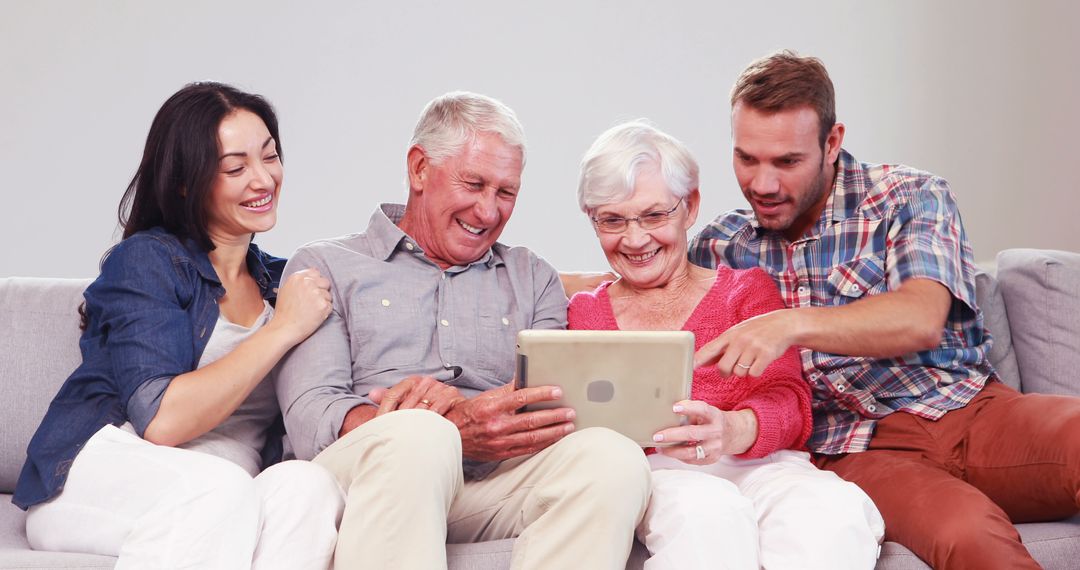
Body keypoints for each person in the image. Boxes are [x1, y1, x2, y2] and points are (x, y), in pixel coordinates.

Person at [689, 50, 1080, 569]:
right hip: (856, 451)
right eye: (746, 158)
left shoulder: (907, 196)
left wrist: (788, 324)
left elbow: (920, 318)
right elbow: (637, 281)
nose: (763, 184)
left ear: (832, 142)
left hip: (969, 410)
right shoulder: (720, 247)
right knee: (969, 535)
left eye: (787, 162)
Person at [274, 91, 650, 570]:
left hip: (490, 482)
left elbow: (545, 406)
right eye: (473, 184)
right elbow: (311, 414)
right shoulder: (326, 265)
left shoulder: (532, 278)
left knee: (613, 457)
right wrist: (448, 428)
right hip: (370, 472)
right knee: (420, 437)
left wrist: (480, 425)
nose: (488, 212)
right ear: (419, 169)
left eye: (506, 193)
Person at [12, 82, 344, 569]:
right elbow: (161, 422)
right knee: (219, 488)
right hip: (101, 476)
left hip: (228, 489)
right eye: (235, 168)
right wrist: (281, 330)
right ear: (187, 183)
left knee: (311, 486)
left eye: (270, 156)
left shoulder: (285, 283)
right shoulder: (148, 260)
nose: (263, 179)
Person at [569, 120, 883, 569]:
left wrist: (732, 429)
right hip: (660, 474)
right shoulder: (585, 313)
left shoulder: (746, 290)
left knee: (832, 515)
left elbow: (791, 402)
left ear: (690, 207)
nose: (634, 239)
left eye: (654, 216)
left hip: (764, 464)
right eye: (612, 220)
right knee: (709, 516)